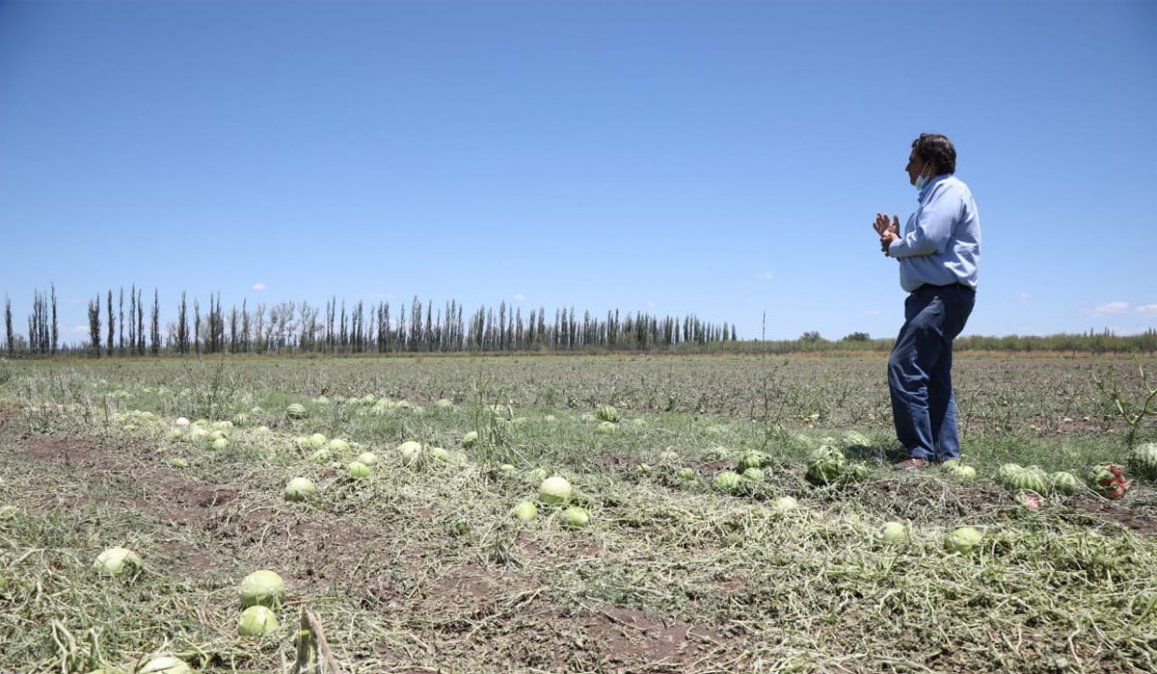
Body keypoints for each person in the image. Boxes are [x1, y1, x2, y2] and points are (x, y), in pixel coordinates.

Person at [873, 133, 981, 469]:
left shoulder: (949, 190)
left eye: (912, 160)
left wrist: (895, 245)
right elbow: (919, 245)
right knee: (934, 374)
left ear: (930, 164)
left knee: (904, 365)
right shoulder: (932, 197)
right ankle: (945, 455)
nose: (907, 167)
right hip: (934, 297)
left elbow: (931, 238)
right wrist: (894, 241)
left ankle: (918, 452)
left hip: (942, 296)